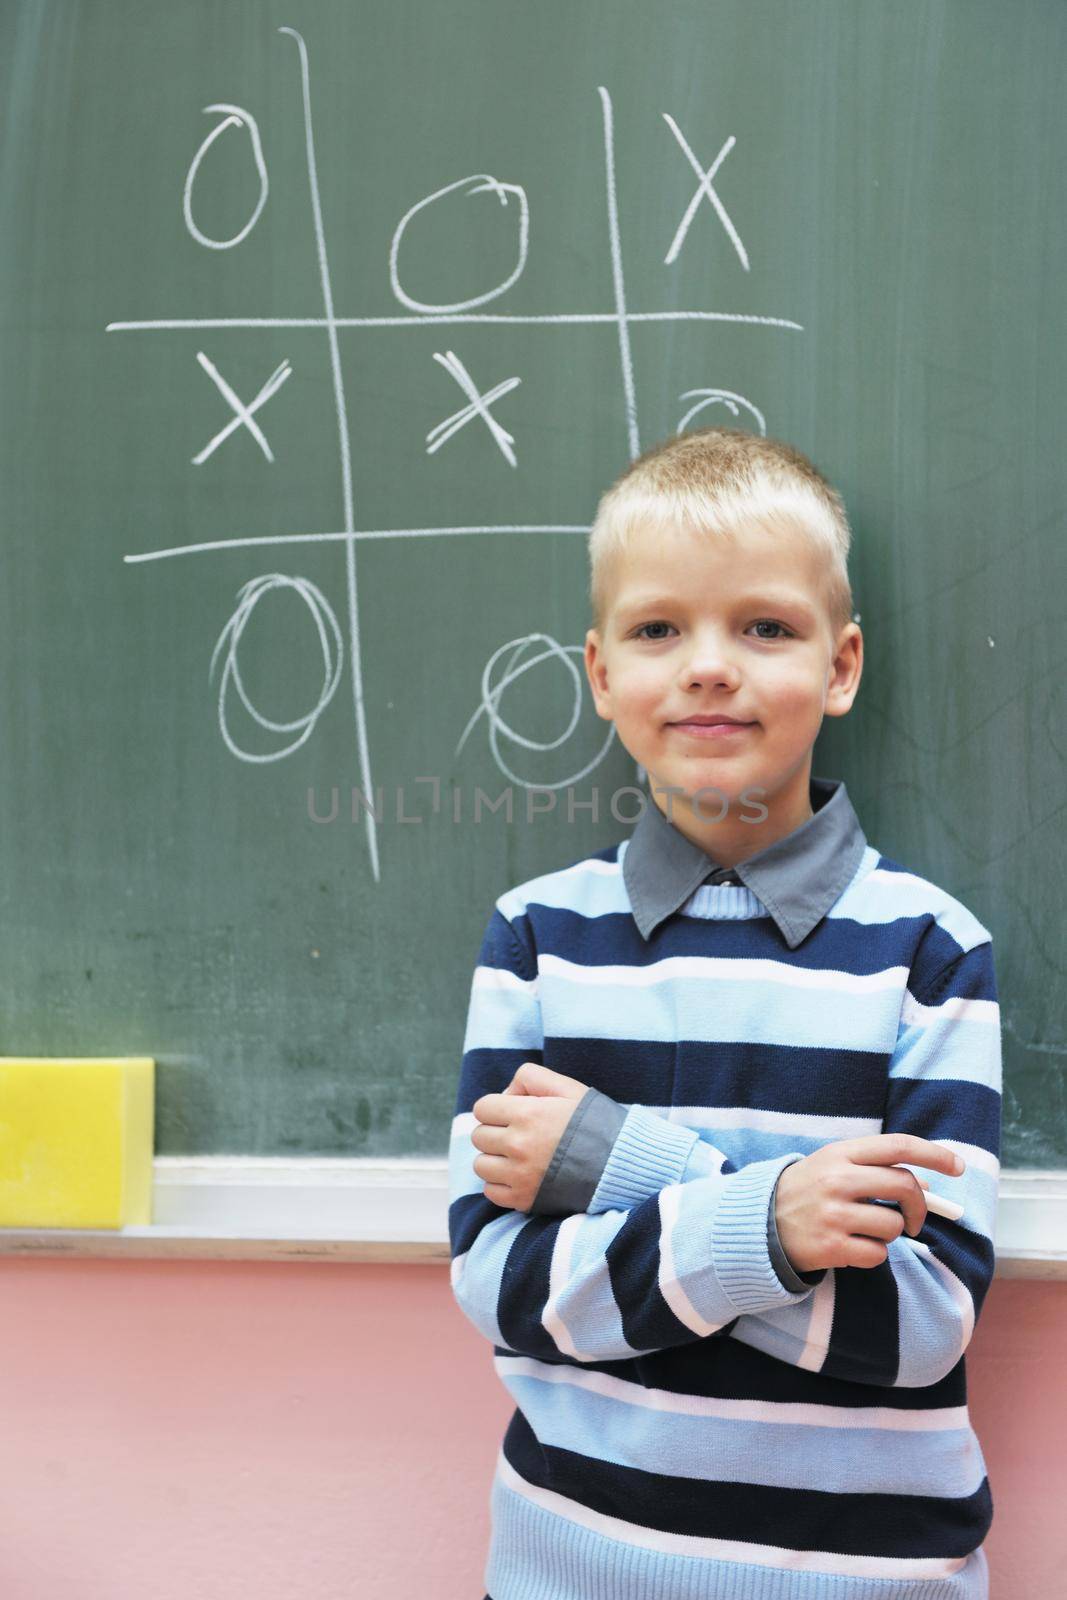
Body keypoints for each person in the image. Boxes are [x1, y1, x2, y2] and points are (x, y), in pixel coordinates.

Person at [448, 426, 1001, 1600]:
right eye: (657, 629)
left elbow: (914, 1329)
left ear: (840, 665)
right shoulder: (535, 941)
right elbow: (505, 1295)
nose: (707, 665)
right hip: (571, 1572)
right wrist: (778, 1225)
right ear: (600, 673)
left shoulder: (928, 953)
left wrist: (617, 1166)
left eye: (764, 625)